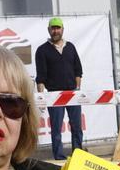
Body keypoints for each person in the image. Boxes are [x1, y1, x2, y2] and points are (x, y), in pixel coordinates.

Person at [34, 16, 83, 161]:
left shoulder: (71, 47)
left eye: (58, 28)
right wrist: (41, 97)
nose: (55, 31)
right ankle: (59, 157)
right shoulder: (42, 50)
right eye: (53, 28)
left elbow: (78, 69)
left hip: (72, 93)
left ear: (62, 29)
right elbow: (41, 76)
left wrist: (77, 88)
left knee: (76, 127)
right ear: (49, 30)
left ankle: (78, 155)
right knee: (56, 129)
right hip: (54, 95)